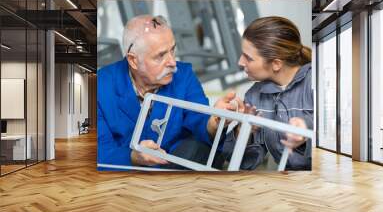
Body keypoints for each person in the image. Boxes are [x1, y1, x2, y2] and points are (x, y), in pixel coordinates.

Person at [97, 15, 243, 170]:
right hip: (125, 177)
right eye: (160, 56)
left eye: (172, 50)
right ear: (133, 60)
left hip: (176, 166)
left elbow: (199, 119)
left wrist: (214, 122)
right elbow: (101, 150)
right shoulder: (101, 86)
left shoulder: (183, 74)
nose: (173, 63)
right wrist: (133, 156)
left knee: (197, 149)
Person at [223, 16, 313, 170]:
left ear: (276, 64)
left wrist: (307, 127)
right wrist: (244, 131)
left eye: (248, 58)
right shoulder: (253, 96)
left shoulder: (315, 81)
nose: (240, 62)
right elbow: (241, 162)